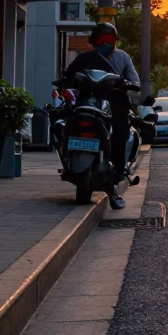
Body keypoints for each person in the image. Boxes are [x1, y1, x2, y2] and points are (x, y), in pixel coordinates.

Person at [64, 22, 140, 210]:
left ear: (115, 41)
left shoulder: (122, 57)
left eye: (110, 40)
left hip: (114, 102)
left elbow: (135, 80)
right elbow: (67, 76)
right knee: (64, 119)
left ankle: (118, 173)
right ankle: (66, 153)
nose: (106, 43)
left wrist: (126, 84)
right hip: (88, 102)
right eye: (102, 40)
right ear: (94, 41)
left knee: (120, 131)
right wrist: (65, 83)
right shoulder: (84, 59)